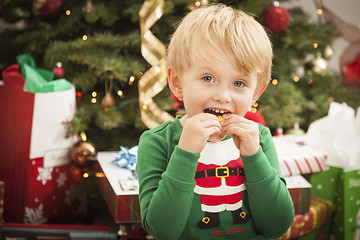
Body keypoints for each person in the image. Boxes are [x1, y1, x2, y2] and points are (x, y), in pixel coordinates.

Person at [136, 3, 294, 240]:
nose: (223, 96)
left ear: (255, 94)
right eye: (208, 78)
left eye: (238, 83)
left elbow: (278, 225)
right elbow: (162, 229)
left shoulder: (258, 138)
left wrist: (254, 157)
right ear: (177, 82)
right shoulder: (157, 142)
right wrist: (186, 151)